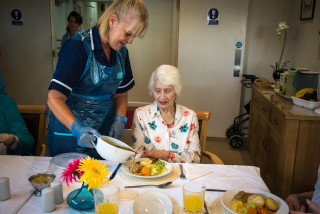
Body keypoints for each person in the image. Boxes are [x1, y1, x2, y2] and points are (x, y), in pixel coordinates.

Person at [46, 0, 148, 158]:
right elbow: (54, 98)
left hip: (102, 135)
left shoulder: (121, 52)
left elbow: (121, 93)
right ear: (112, 21)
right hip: (70, 136)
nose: (130, 41)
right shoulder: (78, 47)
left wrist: (121, 117)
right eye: (128, 33)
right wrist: (76, 127)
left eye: (134, 36)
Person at [131, 65, 201, 163]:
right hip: (152, 174)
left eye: (168, 90)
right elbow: (137, 155)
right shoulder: (141, 114)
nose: (162, 97)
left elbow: (195, 158)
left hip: (181, 174)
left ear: (176, 91)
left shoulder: (190, 116)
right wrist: (178, 157)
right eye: (157, 90)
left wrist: (160, 155)